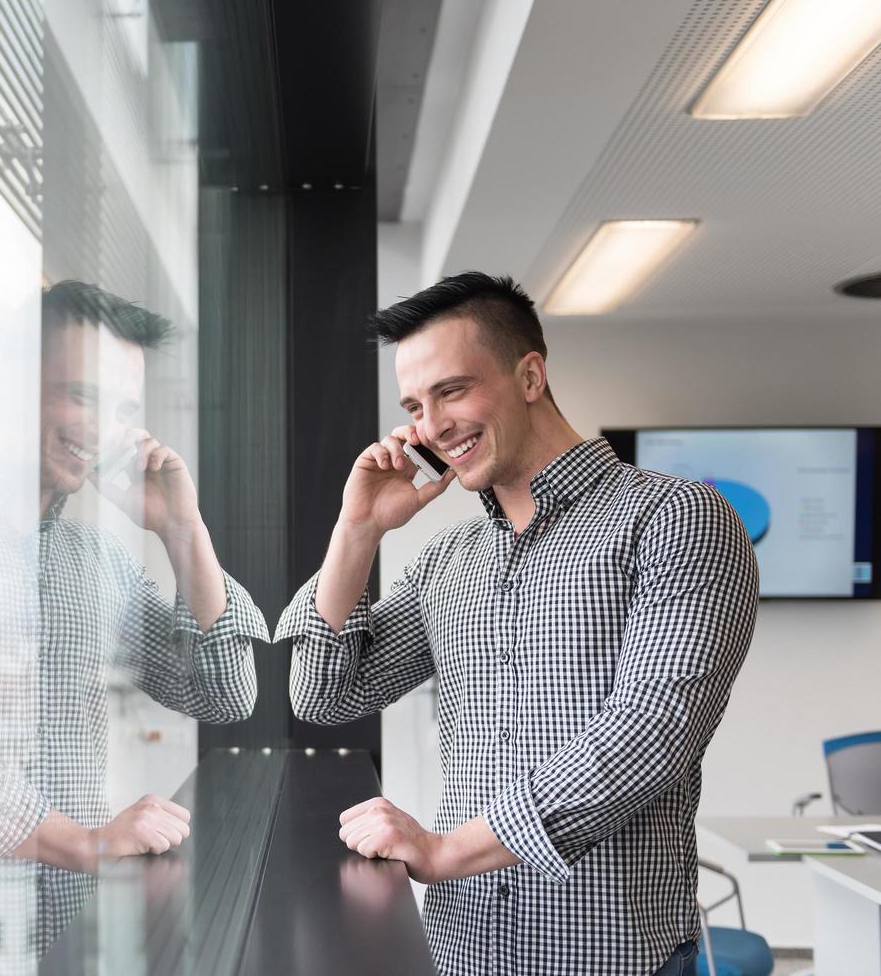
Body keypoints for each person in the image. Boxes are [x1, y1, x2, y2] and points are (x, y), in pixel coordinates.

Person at [274, 272, 758, 975]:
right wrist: (356, 532)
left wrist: (446, 851)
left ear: (529, 375)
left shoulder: (675, 518)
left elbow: (651, 732)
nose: (432, 425)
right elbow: (323, 696)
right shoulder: (449, 560)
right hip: (462, 950)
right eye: (414, 404)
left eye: (451, 390)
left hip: (608, 959)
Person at [0, 279, 266, 953]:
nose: (100, 430)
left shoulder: (94, 561)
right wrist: (80, 842)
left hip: (72, 929)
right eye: (81, 396)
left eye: (122, 409)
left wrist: (182, 531)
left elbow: (222, 693)